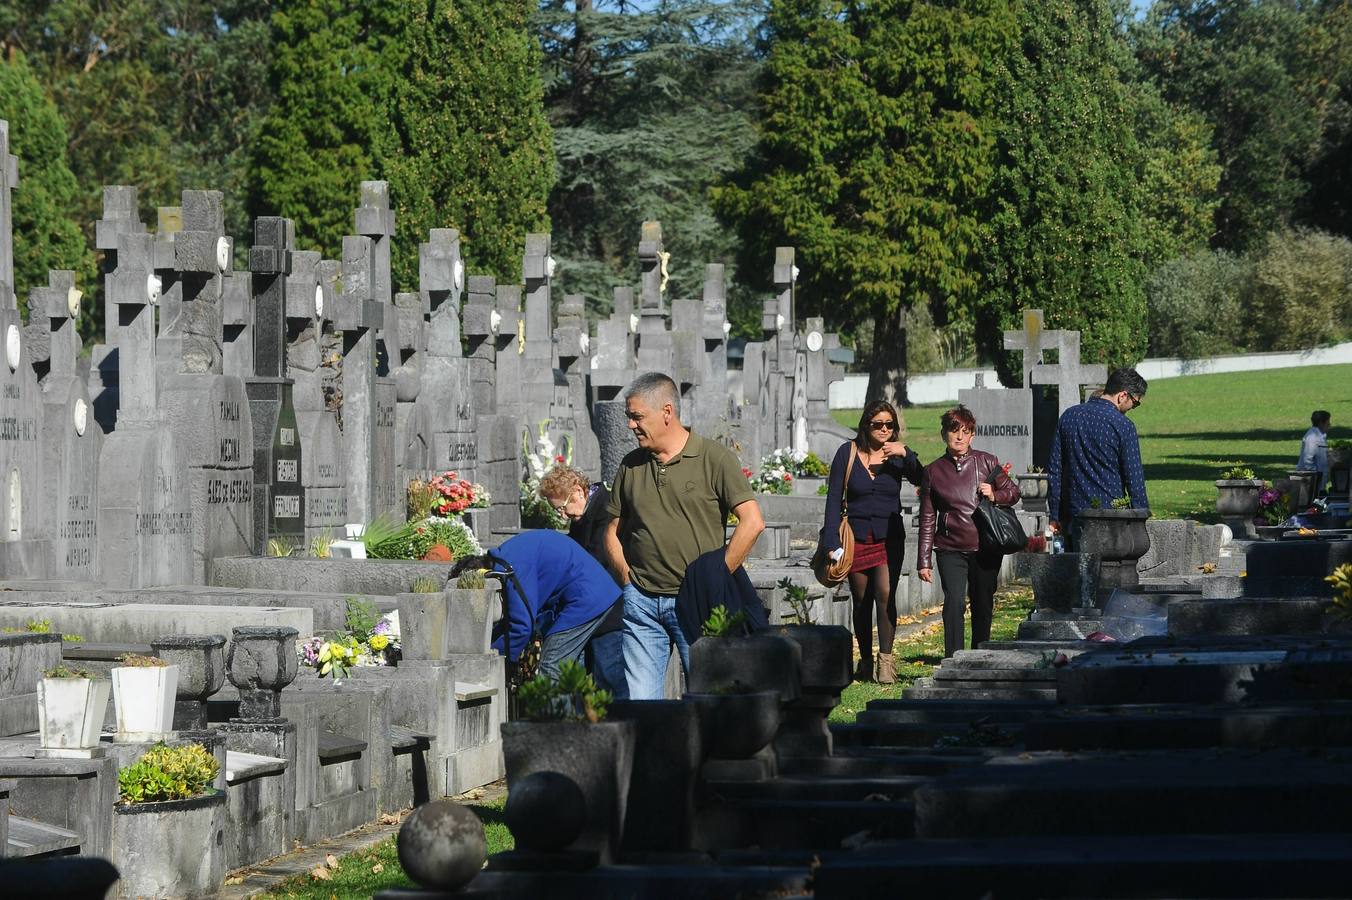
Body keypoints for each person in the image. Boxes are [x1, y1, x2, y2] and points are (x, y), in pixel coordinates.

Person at [604, 372, 765, 700]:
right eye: (629, 418)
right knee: (641, 706)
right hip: (642, 604)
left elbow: (752, 522)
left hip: (697, 603)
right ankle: (653, 754)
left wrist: (715, 579)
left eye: (637, 417)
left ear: (667, 412)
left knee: (710, 699)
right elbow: (612, 530)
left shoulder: (713, 458)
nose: (631, 426)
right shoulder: (631, 465)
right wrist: (626, 580)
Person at [822, 400, 923, 683]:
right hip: (856, 538)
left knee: (885, 594)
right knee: (861, 600)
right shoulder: (848, 452)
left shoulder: (897, 455)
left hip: (888, 537)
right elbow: (833, 499)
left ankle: (886, 664)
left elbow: (923, 479)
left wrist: (907, 453)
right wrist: (831, 539)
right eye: (878, 424)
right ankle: (865, 661)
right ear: (866, 424)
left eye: (889, 425)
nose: (884, 429)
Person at [917, 406, 1020, 658]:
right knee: (954, 603)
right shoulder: (932, 471)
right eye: (954, 431)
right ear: (944, 434)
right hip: (949, 548)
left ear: (973, 435)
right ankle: (953, 657)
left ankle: (979, 655)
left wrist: (995, 494)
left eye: (966, 431)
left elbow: (1014, 493)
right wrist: (924, 560)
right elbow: (928, 516)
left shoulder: (988, 462)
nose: (960, 437)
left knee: (982, 603)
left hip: (984, 546)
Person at [450, 529, 621, 680]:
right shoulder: (506, 556)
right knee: (571, 672)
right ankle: (571, 715)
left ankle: (551, 717)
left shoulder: (510, 568)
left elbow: (521, 625)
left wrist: (493, 655)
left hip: (585, 599)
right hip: (594, 592)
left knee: (552, 666)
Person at [537, 464, 626, 697]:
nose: (563, 516)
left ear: (578, 491)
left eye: (563, 508)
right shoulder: (583, 515)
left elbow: (597, 561)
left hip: (610, 611)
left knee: (609, 680)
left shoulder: (605, 510)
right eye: (558, 512)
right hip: (592, 608)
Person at [1047, 367, 1150, 547]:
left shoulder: (1069, 417)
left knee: (1077, 572)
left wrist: (1055, 515)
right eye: (1135, 403)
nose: (1133, 408)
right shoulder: (1123, 426)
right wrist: (1140, 519)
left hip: (1074, 515)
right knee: (1108, 572)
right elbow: (1134, 479)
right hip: (1111, 519)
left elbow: (1055, 470)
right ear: (1122, 396)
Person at [1298, 410, 1331, 496]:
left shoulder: (1319, 436)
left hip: (1319, 485)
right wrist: (1316, 477)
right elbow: (1308, 459)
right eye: (1328, 423)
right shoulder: (1312, 437)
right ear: (1321, 423)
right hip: (1312, 486)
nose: (1329, 425)